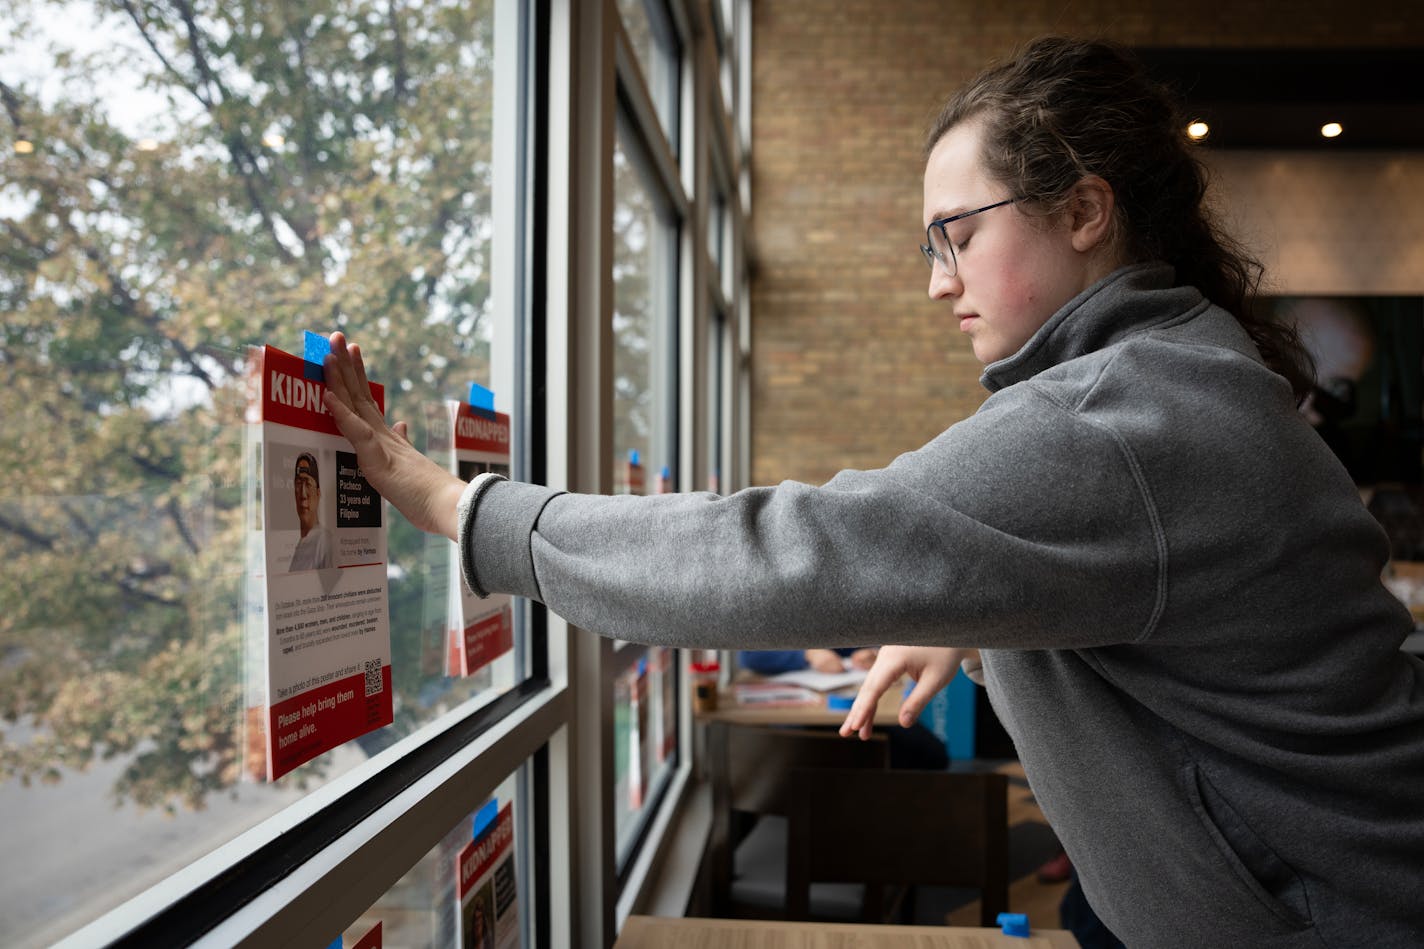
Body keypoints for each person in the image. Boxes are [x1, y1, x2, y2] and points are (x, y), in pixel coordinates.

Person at [320, 36, 1424, 948]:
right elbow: (1146, 580)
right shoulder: (1175, 377)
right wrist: (981, 616)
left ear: (1083, 212)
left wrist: (470, 511)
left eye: (957, 235)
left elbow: (791, 549)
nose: (937, 280)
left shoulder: (1115, 422)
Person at [288, 451, 335, 571]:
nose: (303, 494)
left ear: (318, 493)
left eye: (308, 484)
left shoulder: (324, 541)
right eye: (298, 483)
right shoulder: (301, 543)